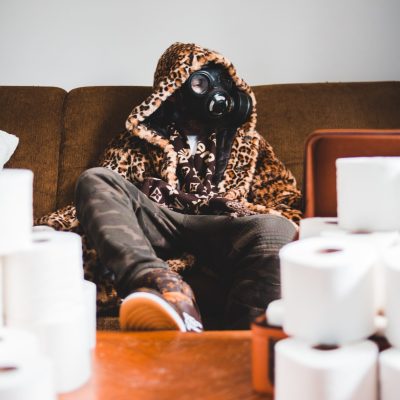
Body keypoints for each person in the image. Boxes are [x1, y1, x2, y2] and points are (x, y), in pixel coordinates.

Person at [36, 42, 302, 332]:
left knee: (278, 229)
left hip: (222, 228)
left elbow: (285, 201)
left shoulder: (248, 143)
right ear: (171, 90)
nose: (213, 92)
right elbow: (106, 198)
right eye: (199, 82)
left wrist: (237, 208)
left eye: (219, 82)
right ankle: (159, 282)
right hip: (160, 222)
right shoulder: (136, 139)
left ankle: (245, 340)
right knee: (94, 178)